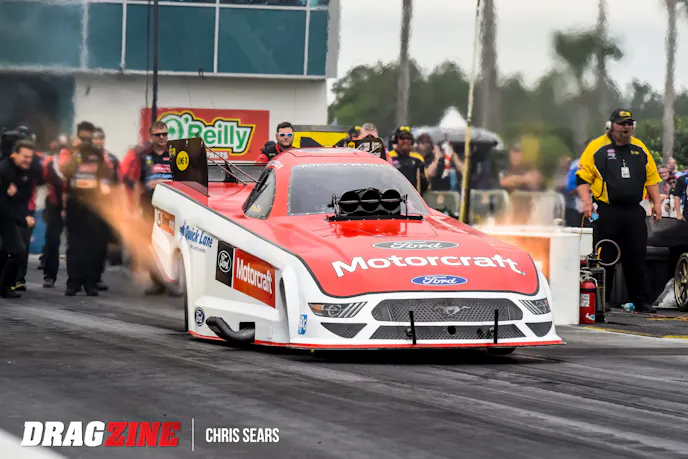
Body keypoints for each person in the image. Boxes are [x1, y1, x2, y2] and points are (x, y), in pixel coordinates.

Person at [576, 109, 663, 314]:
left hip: (633, 211)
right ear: (612, 125)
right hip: (608, 210)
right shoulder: (597, 147)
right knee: (605, 256)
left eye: (629, 124)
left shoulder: (640, 148)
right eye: (622, 123)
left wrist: (657, 203)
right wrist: (587, 202)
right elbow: (582, 177)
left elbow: (651, 177)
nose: (626, 127)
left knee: (637, 256)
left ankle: (641, 302)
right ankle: (602, 300)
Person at [120, 121, 174, 295]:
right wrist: (134, 208)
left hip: (171, 208)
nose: (162, 138)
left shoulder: (174, 154)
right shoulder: (144, 157)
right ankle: (157, 281)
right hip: (149, 206)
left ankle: (173, 282)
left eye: (164, 134)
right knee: (151, 244)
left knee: (171, 244)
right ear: (151, 137)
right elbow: (137, 184)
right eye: (158, 135)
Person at [61, 142, 114, 296]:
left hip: (94, 208)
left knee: (93, 247)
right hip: (75, 207)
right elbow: (65, 173)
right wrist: (75, 157)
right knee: (75, 246)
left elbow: (107, 180)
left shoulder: (99, 160)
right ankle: (74, 282)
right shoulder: (74, 160)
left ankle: (90, 283)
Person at [0, 140, 37, 298]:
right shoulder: (4, 170)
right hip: (5, 215)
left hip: (8, 216)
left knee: (13, 251)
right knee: (15, 250)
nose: (28, 160)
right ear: (14, 154)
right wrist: (22, 219)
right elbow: (3, 203)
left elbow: (24, 196)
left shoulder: (25, 172)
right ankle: (5, 286)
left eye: (30, 157)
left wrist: (16, 195)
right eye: (24, 156)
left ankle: (5, 286)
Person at [388, 126, 428, 194]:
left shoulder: (418, 159)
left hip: (413, 197)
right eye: (402, 138)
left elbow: (424, 187)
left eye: (408, 138)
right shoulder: (389, 158)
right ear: (396, 140)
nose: (406, 141)